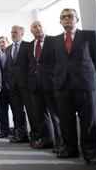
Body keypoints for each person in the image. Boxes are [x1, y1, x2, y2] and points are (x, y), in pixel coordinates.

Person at [52, 8, 96, 164]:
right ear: (60, 21)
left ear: (77, 19)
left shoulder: (90, 35)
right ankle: (70, 149)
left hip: (85, 83)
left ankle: (89, 152)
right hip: (62, 85)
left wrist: (86, 75)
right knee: (66, 119)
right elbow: (55, 63)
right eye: (64, 17)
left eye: (70, 16)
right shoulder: (55, 40)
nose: (67, 19)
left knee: (88, 119)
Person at [27, 21, 61, 151]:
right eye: (34, 27)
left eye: (40, 26)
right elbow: (31, 64)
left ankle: (60, 143)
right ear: (31, 31)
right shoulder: (30, 46)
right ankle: (47, 140)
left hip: (51, 83)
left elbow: (60, 61)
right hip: (35, 85)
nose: (38, 28)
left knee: (55, 114)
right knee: (41, 115)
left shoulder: (54, 41)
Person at [5, 25, 30, 143]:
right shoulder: (8, 49)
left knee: (31, 111)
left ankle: (35, 134)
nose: (13, 34)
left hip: (26, 85)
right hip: (13, 85)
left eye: (15, 32)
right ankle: (21, 134)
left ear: (22, 33)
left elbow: (31, 66)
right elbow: (8, 68)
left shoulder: (28, 46)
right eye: (11, 32)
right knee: (17, 111)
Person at [0, 36, 13, 138]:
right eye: (0, 42)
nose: (2, 44)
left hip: (12, 87)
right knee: (2, 111)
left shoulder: (12, 54)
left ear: (8, 43)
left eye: (3, 42)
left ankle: (19, 131)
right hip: (0, 89)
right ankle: (4, 131)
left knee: (17, 111)